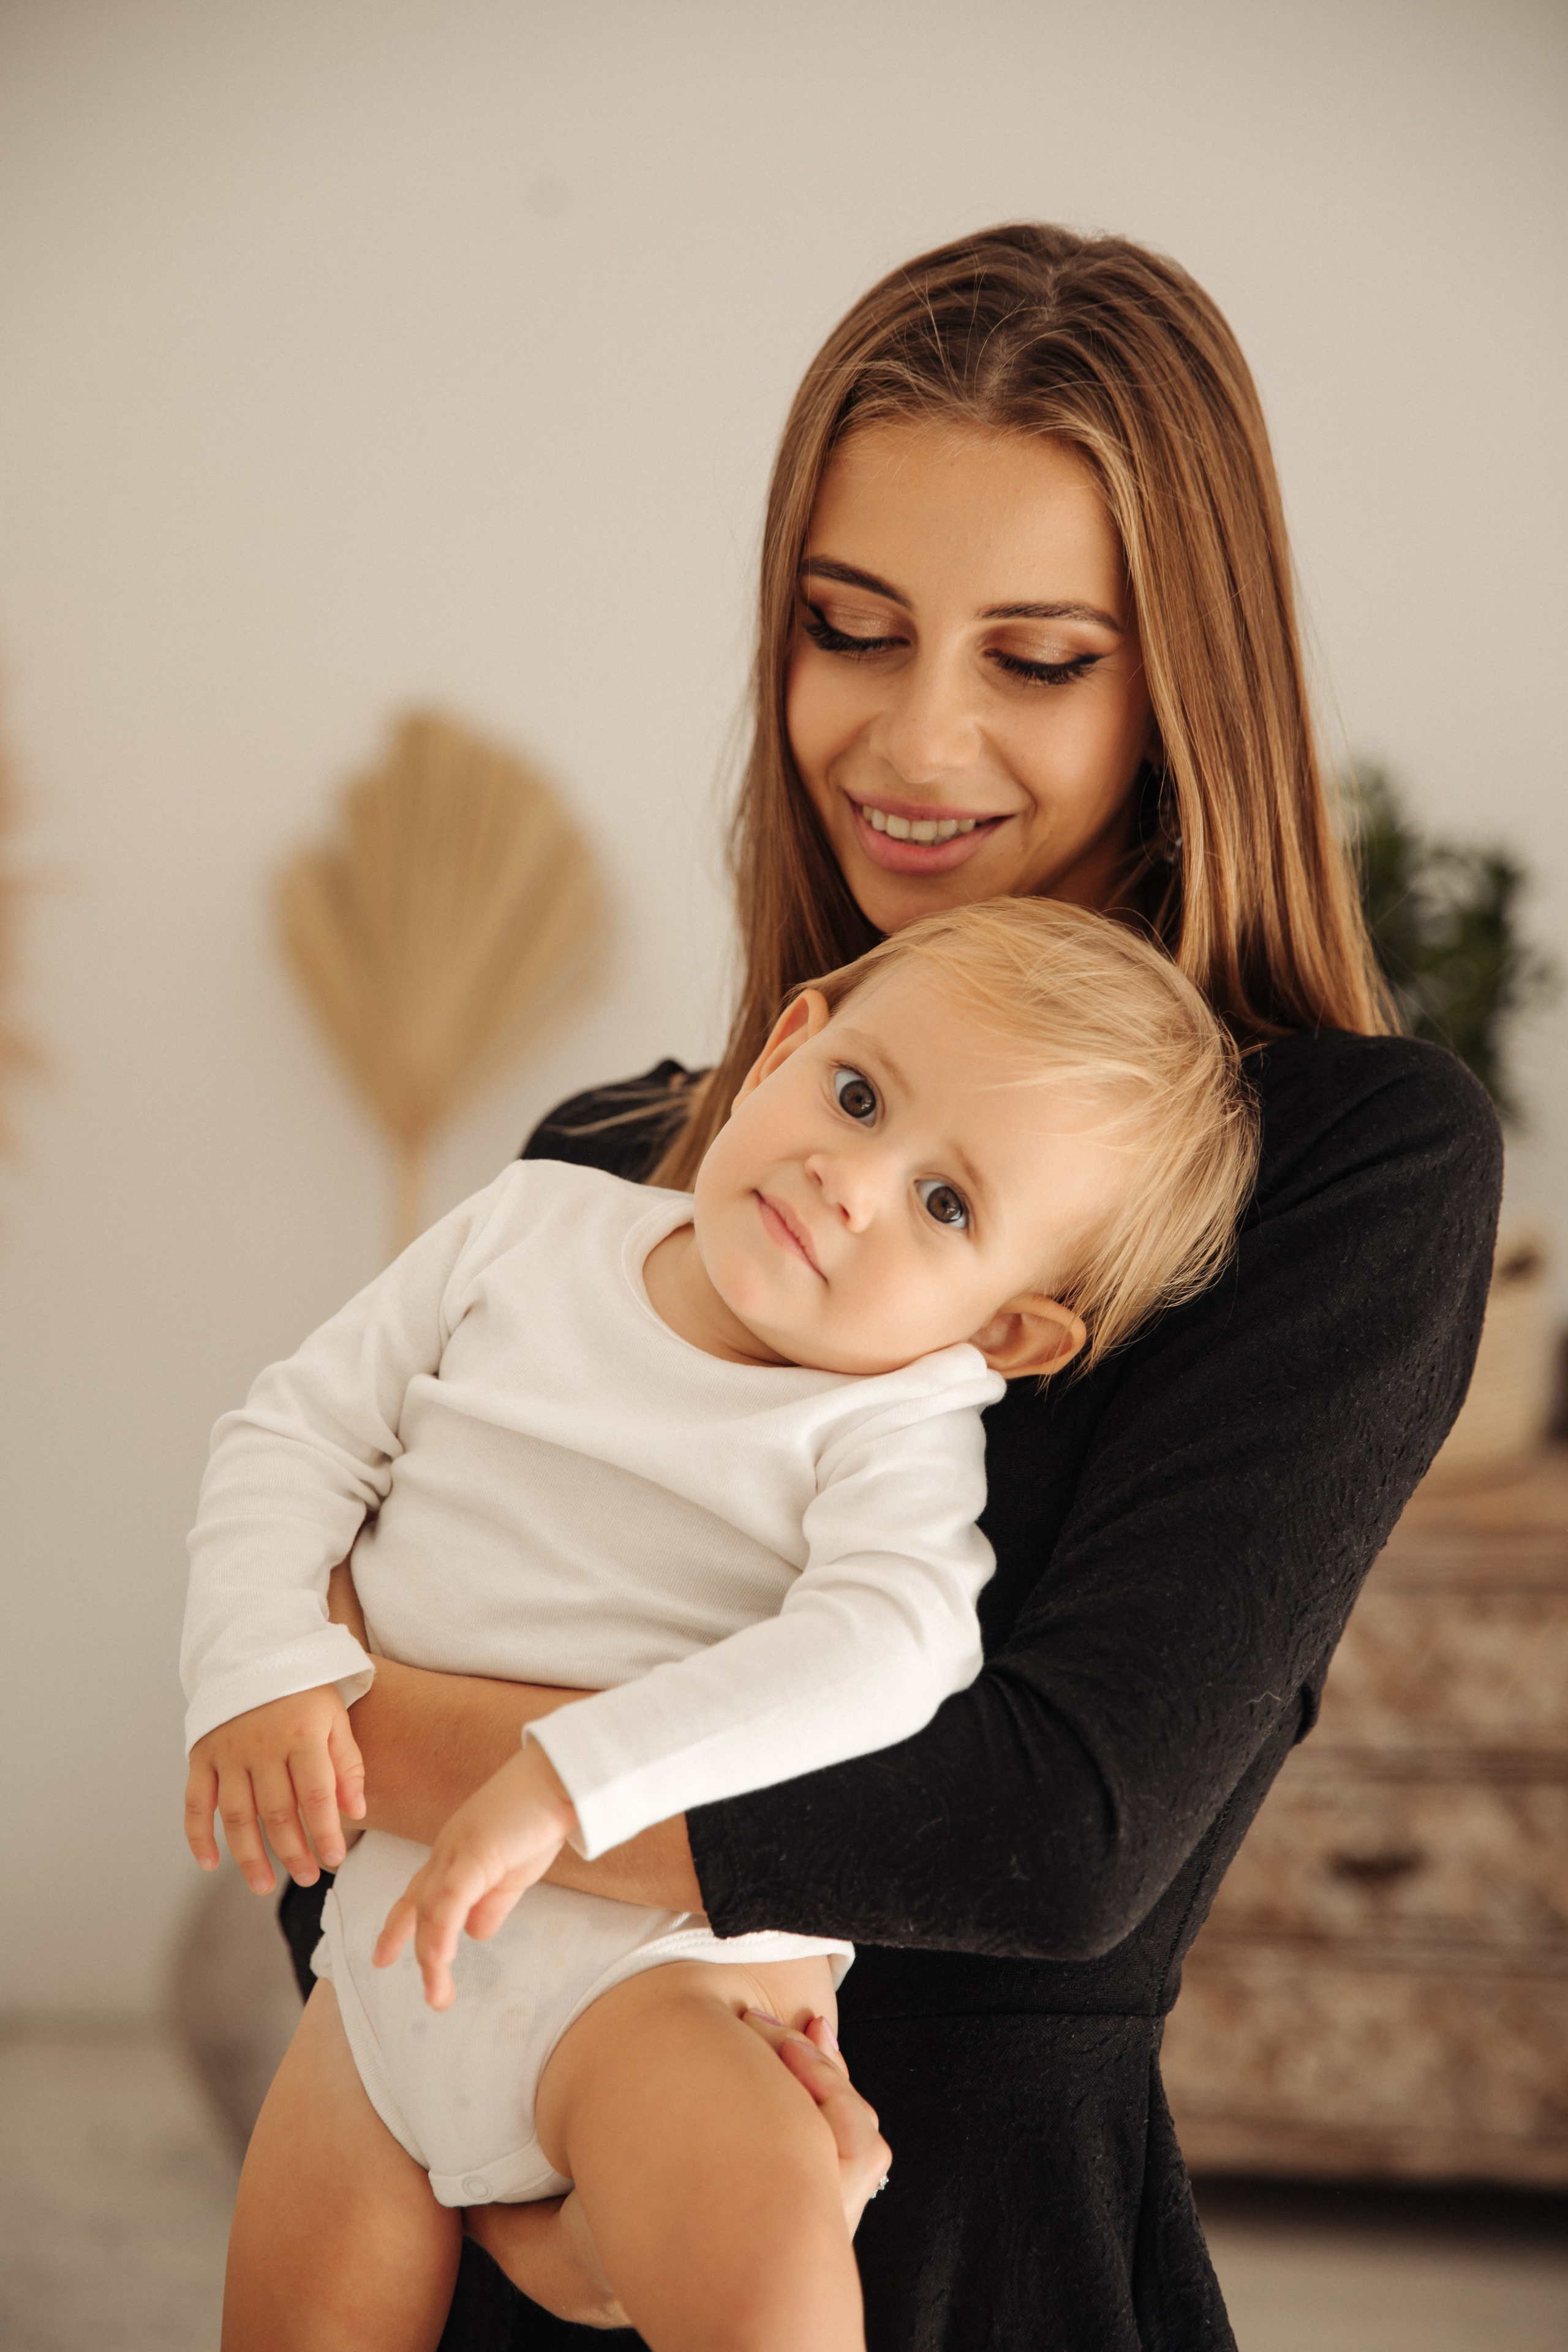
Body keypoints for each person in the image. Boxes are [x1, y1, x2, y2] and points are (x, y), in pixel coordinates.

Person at [271, 223, 1501, 2351]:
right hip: (487, 2223)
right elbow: (305, 1832)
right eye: (852, 628)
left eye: (1037, 660)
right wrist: (546, 2187)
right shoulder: (607, 1167)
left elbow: (1050, 1834)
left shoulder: (1345, 1166)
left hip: (967, 2267)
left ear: (1185, 680)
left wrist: (422, 1755)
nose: (913, 740)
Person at [185, 900, 1257, 2352]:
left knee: (763, 2300)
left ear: (1005, 1332)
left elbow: (894, 1643)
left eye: (945, 1205)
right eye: (861, 1097)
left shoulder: (892, 1416)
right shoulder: (528, 1223)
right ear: (785, 1045)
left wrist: (570, 1777)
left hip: (666, 1985)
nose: (852, 1180)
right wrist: (258, 1668)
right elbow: (292, 1435)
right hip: (380, 1972)